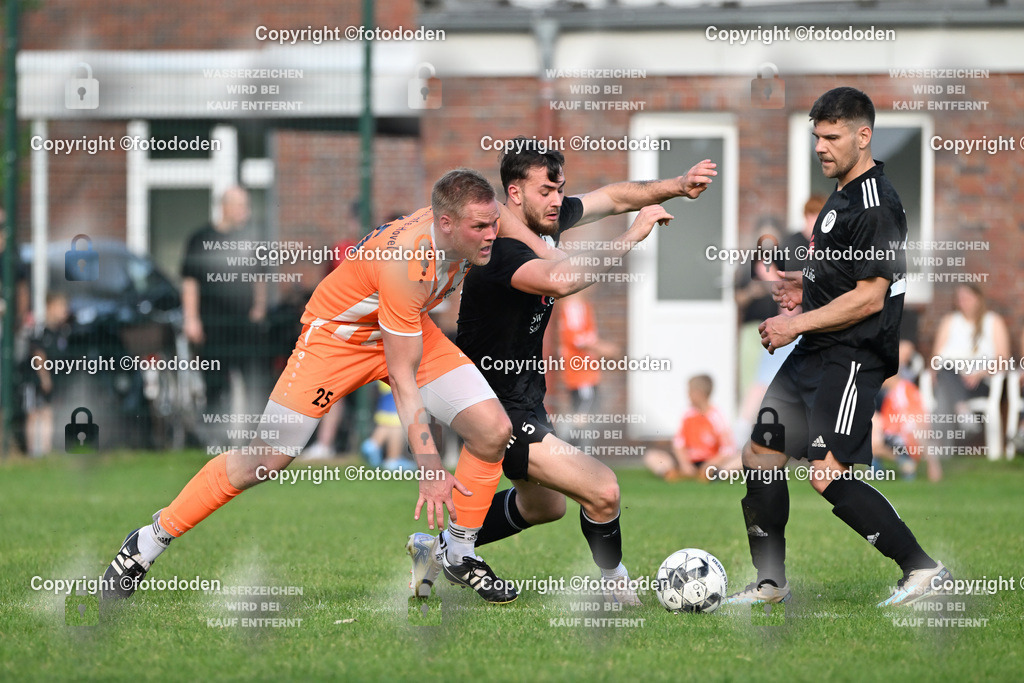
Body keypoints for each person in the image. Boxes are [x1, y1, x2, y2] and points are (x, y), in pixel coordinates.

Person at [103, 169, 519, 604]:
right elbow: (401, 378)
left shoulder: (473, 220)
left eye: (494, 223)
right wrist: (430, 468)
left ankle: (457, 552)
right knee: (262, 461)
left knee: (492, 430)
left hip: (405, 329)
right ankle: (148, 540)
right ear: (446, 224)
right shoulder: (409, 264)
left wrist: (585, 210)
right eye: (482, 227)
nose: (493, 233)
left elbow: (527, 219)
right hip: (336, 340)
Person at [407, 138, 716, 604]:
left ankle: (440, 549)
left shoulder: (546, 223)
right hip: (494, 406)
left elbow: (612, 197)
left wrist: (675, 185)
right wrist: (633, 235)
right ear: (514, 195)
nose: (556, 201)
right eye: (545, 192)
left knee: (544, 505)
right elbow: (562, 280)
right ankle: (613, 585)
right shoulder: (501, 251)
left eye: (560, 190)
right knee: (604, 490)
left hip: (525, 397)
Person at [724, 87, 949, 608]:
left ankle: (921, 567)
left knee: (826, 474)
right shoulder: (841, 194)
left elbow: (870, 298)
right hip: (814, 353)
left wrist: (794, 323)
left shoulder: (876, 205)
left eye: (832, 136)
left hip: (849, 359)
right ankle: (769, 583)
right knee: (759, 453)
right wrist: (807, 284)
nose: (820, 146)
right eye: (816, 136)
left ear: (863, 135)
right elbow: (849, 276)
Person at [181, 187, 268, 421]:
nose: (245, 212)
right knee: (215, 383)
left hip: (245, 325)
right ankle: (214, 436)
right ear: (225, 207)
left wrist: (259, 307)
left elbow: (260, 277)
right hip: (213, 324)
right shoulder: (200, 240)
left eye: (247, 206)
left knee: (253, 382)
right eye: (240, 206)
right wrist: (191, 319)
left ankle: (253, 437)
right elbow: (190, 282)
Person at [930, 283, 1010, 428]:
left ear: (978, 299)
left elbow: (1003, 360)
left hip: (978, 383)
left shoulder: (993, 321)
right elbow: (935, 359)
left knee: (944, 392)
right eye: (960, 298)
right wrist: (934, 373)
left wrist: (980, 374)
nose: (963, 302)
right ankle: (962, 411)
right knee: (946, 371)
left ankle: (939, 445)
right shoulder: (949, 321)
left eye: (967, 298)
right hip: (949, 377)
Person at [644, 375, 740, 482]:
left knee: (742, 457)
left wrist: (711, 463)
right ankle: (669, 472)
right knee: (651, 456)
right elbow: (679, 444)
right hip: (690, 461)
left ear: (698, 393)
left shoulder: (717, 416)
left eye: (689, 391)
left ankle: (715, 473)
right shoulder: (688, 415)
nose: (688, 395)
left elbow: (728, 449)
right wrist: (685, 464)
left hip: (711, 461)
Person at [556, 286, 618, 448]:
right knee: (583, 414)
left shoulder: (581, 305)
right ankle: (568, 450)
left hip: (584, 372)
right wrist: (604, 348)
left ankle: (575, 453)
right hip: (581, 373)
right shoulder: (574, 306)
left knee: (584, 413)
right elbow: (578, 339)